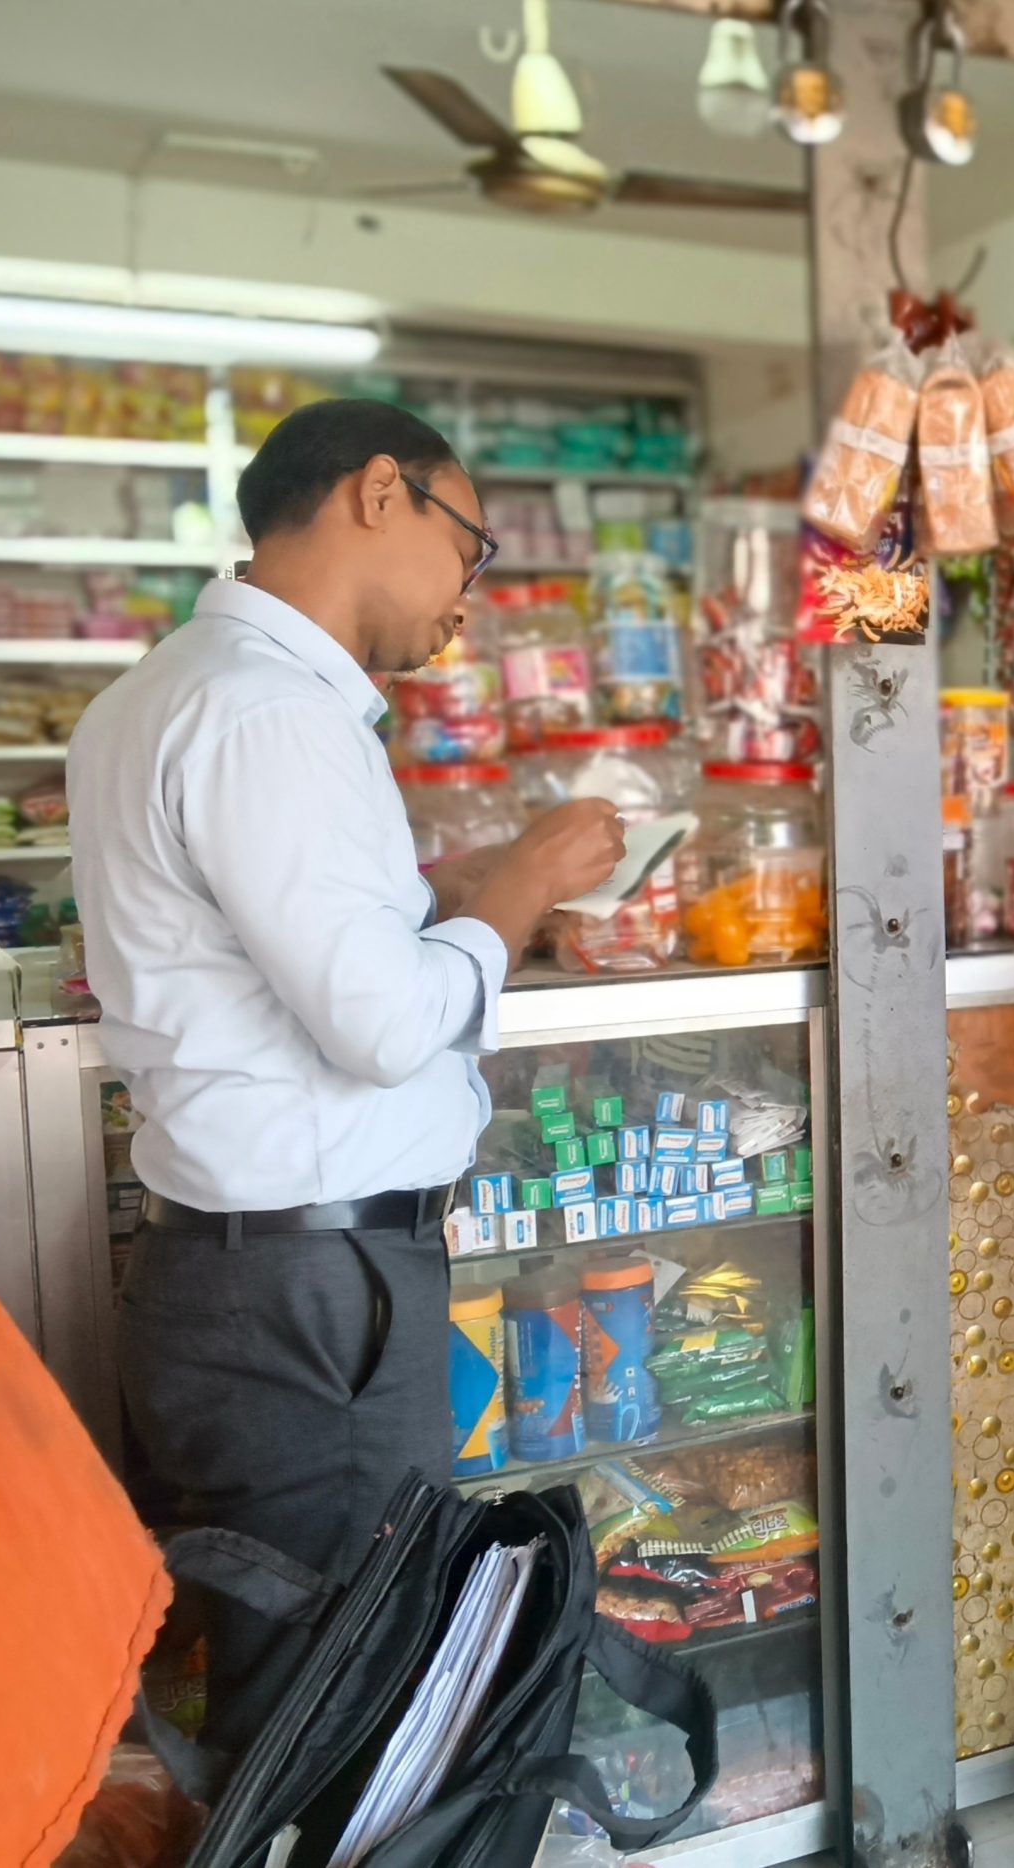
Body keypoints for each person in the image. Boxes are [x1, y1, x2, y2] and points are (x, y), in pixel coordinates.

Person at [66, 397, 625, 1751]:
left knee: (288, 1678)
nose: (466, 598)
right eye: (470, 547)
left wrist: (441, 899)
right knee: (353, 1695)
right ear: (381, 494)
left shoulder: (158, 694)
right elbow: (376, 1026)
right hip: (314, 1297)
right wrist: (521, 886)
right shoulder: (273, 714)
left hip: (241, 1276)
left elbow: (274, 952)